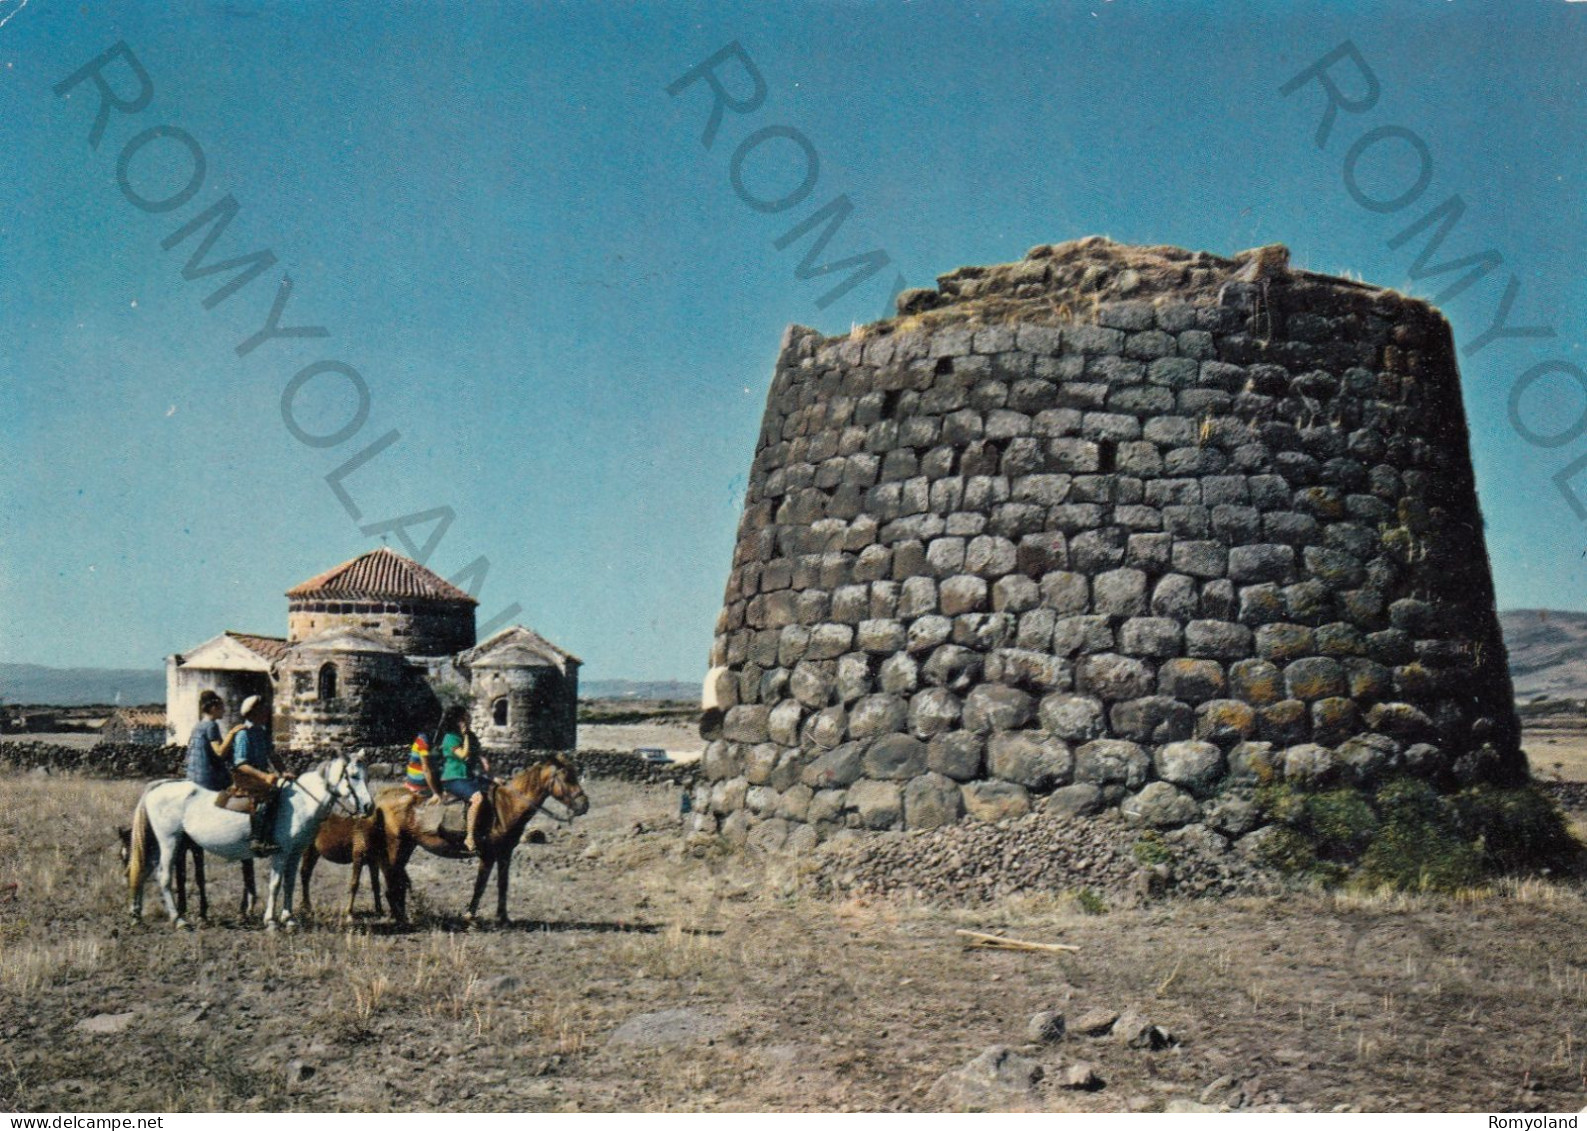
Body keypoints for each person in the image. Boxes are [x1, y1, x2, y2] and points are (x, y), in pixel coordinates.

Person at [228, 695, 292, 856]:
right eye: (263, 711)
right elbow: (241, 763)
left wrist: (283, 770)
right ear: (253, 713)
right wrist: (264, 776)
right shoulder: (244, 734)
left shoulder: (261, 732)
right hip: (245, 776)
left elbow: (272, 754)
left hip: (259, 775)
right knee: (269, 793)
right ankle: (258, 840)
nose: (266, 714)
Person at [435, 706, 491, 854]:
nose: (469, 718)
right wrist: (465, 735)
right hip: (453, 777)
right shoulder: (450, 738)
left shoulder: (471, 736)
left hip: (468, 776)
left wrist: (481, 759)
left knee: (497, 789)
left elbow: (476, 752)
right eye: (466, 716)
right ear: (458, 720)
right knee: (477, 798)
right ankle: (470, 837)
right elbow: (464, 755)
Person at [185, 690, 240, 791]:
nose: (224, 711)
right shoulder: (211, 726)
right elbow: (219, 752)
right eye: (222, 708)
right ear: (214, 708)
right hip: (206, 777)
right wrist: (232, 733)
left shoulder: (198, 725)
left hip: (192, 774)